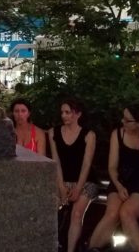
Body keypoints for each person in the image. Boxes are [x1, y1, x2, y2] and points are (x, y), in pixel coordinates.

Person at [88, 103, 139, 252]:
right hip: (122, 180)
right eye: (123, 118)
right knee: (112, 213)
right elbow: (112, 167)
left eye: (127, 120)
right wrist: (118, 185)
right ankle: (93, 249)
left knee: (127, 212)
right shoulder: (118, 134)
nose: (122, 122)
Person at [49, 98, 97, 252]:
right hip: (62, 179)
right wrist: (61, 186)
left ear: (78, 114)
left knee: (76, 213)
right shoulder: (53, 132)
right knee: (50, 207)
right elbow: (55, 160)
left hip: (85, 181)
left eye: (68, 112)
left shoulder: (88, 135)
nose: (64, 115)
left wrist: (78, 188)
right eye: (62, 112)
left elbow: (87, 164)